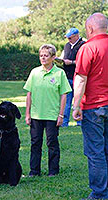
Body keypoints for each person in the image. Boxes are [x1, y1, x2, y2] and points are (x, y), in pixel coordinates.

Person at [72, 13, 108, 199]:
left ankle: (99, 194)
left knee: (95, 152)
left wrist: (76, 106)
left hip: (94, 107)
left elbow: (80, 79)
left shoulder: (88, 48)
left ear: (90, 29)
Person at [24, 44, 71, 177]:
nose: (43, 58)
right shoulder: (34, 72)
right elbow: (29, 94)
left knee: (52, 143)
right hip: (36, 115)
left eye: (46, 55)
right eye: (41, 55)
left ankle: (53, 171)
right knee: (35, 143)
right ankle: (34, 171)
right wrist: (27, 114)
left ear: (53, 57)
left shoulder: (59, 73)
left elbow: (64, 95)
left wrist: (61, 115)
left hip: (52, 115)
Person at [59, 28, 85, 127]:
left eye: (70, 38)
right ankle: (64, 122)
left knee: (79, 101)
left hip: (79, 77)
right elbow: (63, 57)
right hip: (67, 77)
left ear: (76, 36)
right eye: (67, 38)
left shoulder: (83, 45)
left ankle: (80, 122)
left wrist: (72, 62)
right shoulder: (67, 46)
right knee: (66, 102)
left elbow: (85, 62)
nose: (69, 40)